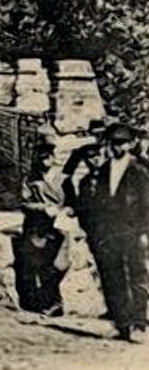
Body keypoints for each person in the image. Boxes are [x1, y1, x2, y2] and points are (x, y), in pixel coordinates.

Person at [79, 117, 149, 342]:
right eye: (114, 142)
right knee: (112, 276)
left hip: (133, 231)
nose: (118, 147)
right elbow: (97, 202)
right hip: (108, 232)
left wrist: (144, 231)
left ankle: (139, 323)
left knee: (136, 275)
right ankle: (121, 323)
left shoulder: (139, 171)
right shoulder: (102, 171)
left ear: (131, 144)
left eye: (123, 143)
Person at [12, 127, 69, 317]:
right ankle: (39, 301)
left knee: (53, 266)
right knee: (35, 264)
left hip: (54, 226)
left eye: (49, 156)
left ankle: (52, 301)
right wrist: (41, 208)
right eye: (43, 157)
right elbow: (25, 201)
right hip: (36, 226)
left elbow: (65, 199)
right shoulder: (30, 180)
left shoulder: (57, 178)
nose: (47, 160)